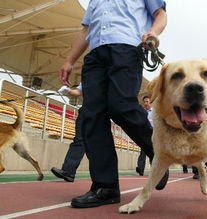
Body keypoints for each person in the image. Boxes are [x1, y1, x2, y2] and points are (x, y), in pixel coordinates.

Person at [58, 0, 168, 208]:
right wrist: (69, 60)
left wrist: (153, 32)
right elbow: (86, 30)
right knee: (92, 116)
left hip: (126, 49)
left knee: (121, 107)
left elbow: (161, 14)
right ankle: (105, 187)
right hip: (95, 56)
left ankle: (160, 155)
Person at [51, 84, 85, 182]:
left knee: (98, 144)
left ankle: (105, 176)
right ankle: (68, 171)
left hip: (101, 111)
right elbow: (78, 92)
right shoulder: (87, 74)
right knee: (79, 140)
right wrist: (67, 91)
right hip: (85, 110)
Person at [136, 96, 152, 176]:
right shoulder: (141, 112)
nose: (145, 103)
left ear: (150, 102)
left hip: (153, 133)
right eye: (144, 101)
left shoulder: (155, 112)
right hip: (144, 133)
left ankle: (154, 169)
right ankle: (140, 169)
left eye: (147, 101)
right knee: (143, 151)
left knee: (153, 152)